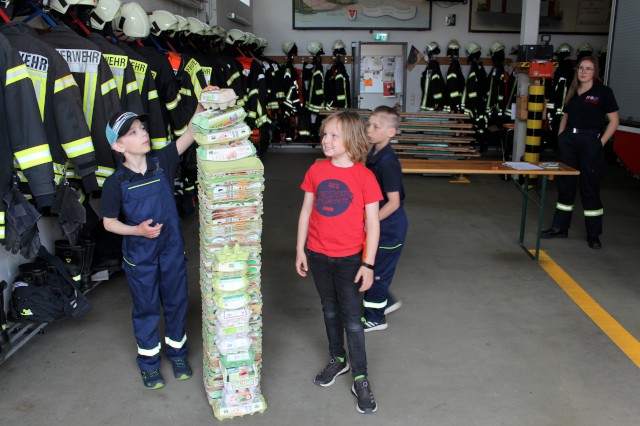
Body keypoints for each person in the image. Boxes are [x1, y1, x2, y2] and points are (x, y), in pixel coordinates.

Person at [102, 85, 217, 389]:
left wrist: (202, 102)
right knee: (147, 307)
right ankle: (149, 362)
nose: (142, 134)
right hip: (140, 256)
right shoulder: (116, 183)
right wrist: (137, 230)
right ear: (119, 147)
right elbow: (110, 223)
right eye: (132, 132)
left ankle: (178, 353)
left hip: (170, 250)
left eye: (141, 128)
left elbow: (190, 133)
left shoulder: (161, 161)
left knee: (178, 301)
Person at [295, 111, 382, 414]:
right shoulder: (316, 170)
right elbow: (306, 211)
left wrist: (368, 264)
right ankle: (338, 359)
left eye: (334, 135)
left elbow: (373, 224)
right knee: (329, 309)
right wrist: (300, 250)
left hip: (349, 260)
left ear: (352, 140)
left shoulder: (364, 177)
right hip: (318, 255)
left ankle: (361, 376)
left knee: (352, 319)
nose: (326, 140)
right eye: (324, 134)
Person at [541, 56, 619, 249]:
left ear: (595, 72)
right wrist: (561, 134)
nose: (584, 72)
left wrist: (599, 143)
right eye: (581, 68)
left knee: (589, 187)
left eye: (589, 69)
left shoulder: (603, 92)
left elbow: (614, 121)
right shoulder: (574, 90)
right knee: (565, 185)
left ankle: (593, 234)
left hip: (590, 142)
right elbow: (566, 114)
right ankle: (560, 227)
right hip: (569, 141)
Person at [362, 106, 408, 332]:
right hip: (379, 225)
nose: (369, 130)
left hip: (388, 228)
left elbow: (394, 202)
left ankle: (375, 318)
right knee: (376, 267)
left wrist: (369, 222)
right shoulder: (374, 153)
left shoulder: (388, 161)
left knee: (377, 273)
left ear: (391, 132)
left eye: (375, 126)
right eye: (368, 124)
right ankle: (386, 301)